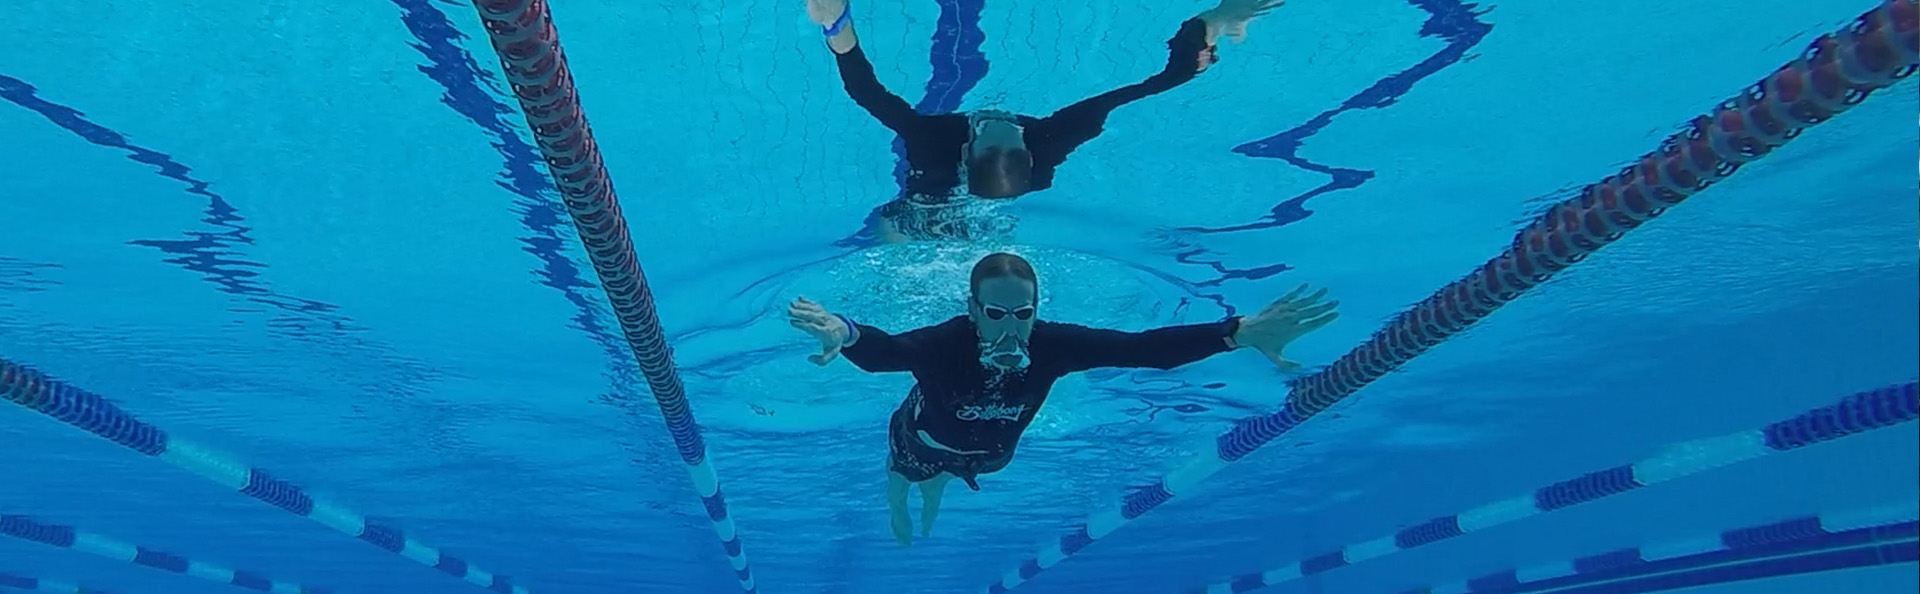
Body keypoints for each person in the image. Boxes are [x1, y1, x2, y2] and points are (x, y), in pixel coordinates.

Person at [787, 252, 1337, 546]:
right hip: (919, 439)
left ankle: (934, 499)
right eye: (995, 313)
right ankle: (899, 511)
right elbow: (890, 351)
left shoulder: (1052, 345)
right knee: (906, 480)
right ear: (974, 309)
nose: (1010, 328)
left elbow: (1144, 351)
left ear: (1036, 310)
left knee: (945, 485)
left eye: (1022, 314)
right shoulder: (946, 343)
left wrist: (1237, 331)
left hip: (990, 457)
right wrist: (847, 331)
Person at [804, 0, 1288, 241]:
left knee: (897, 235)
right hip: (961, 194)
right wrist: (1213, 23)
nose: (1001, 121)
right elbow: (1156, 82)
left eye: (1001, 130)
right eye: (1006, 131)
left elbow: (865, 92)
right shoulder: (1050, 138)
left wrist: (836, 24)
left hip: (927, 200)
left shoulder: (936, 141)